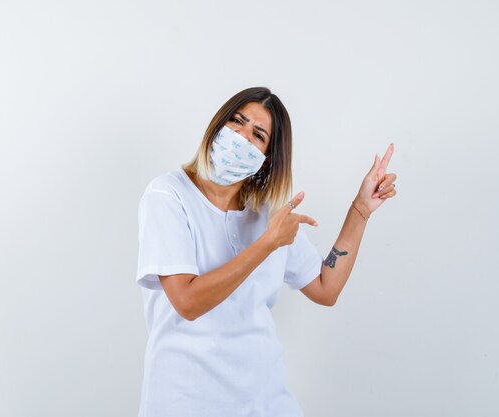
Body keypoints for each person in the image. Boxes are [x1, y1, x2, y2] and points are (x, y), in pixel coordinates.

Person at [135, 86, 397, 417]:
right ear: (217, 125)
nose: (241, 137)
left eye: (258, 135)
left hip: (266, 401)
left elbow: (325, 288)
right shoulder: (168, 195)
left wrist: (360, 210)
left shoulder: (267, 214)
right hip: (187, 401)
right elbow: (187, 302)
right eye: (236, 121)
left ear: (266, 158)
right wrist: (267, 244)